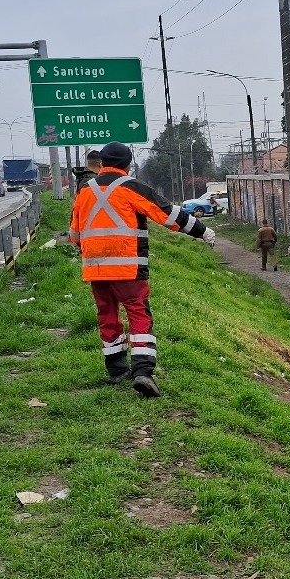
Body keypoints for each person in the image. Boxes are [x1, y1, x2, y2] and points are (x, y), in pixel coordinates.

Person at [68, 141, 216, 398]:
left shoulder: (85, 191)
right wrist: (202, 231)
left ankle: (116, 370)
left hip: (96, 269)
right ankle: (143, 372)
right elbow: (168, 215)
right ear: (128, 165)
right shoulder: (131, 187)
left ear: (101, 164)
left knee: (107, 315)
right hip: (128, 268)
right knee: (138, 314)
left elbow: (74, 235)